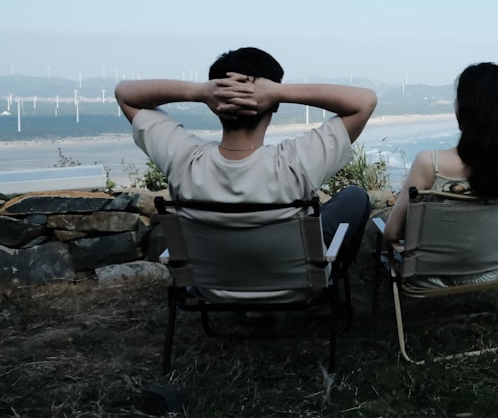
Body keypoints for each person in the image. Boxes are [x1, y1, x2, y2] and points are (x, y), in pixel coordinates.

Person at [114, 46, 378, 298]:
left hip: (211, 288)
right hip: (300, 287)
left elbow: (125, 93)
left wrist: (200, 91)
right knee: (354, 196)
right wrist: (278, 92)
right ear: (274, 104)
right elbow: (365, 101)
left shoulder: (183, 159)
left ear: (213, 104)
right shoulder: (295, 162)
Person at [382, 62, 498, 288]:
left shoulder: (430, 163)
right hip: (491, 270)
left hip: (429, 276)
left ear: (466, 109)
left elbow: (391, 233)